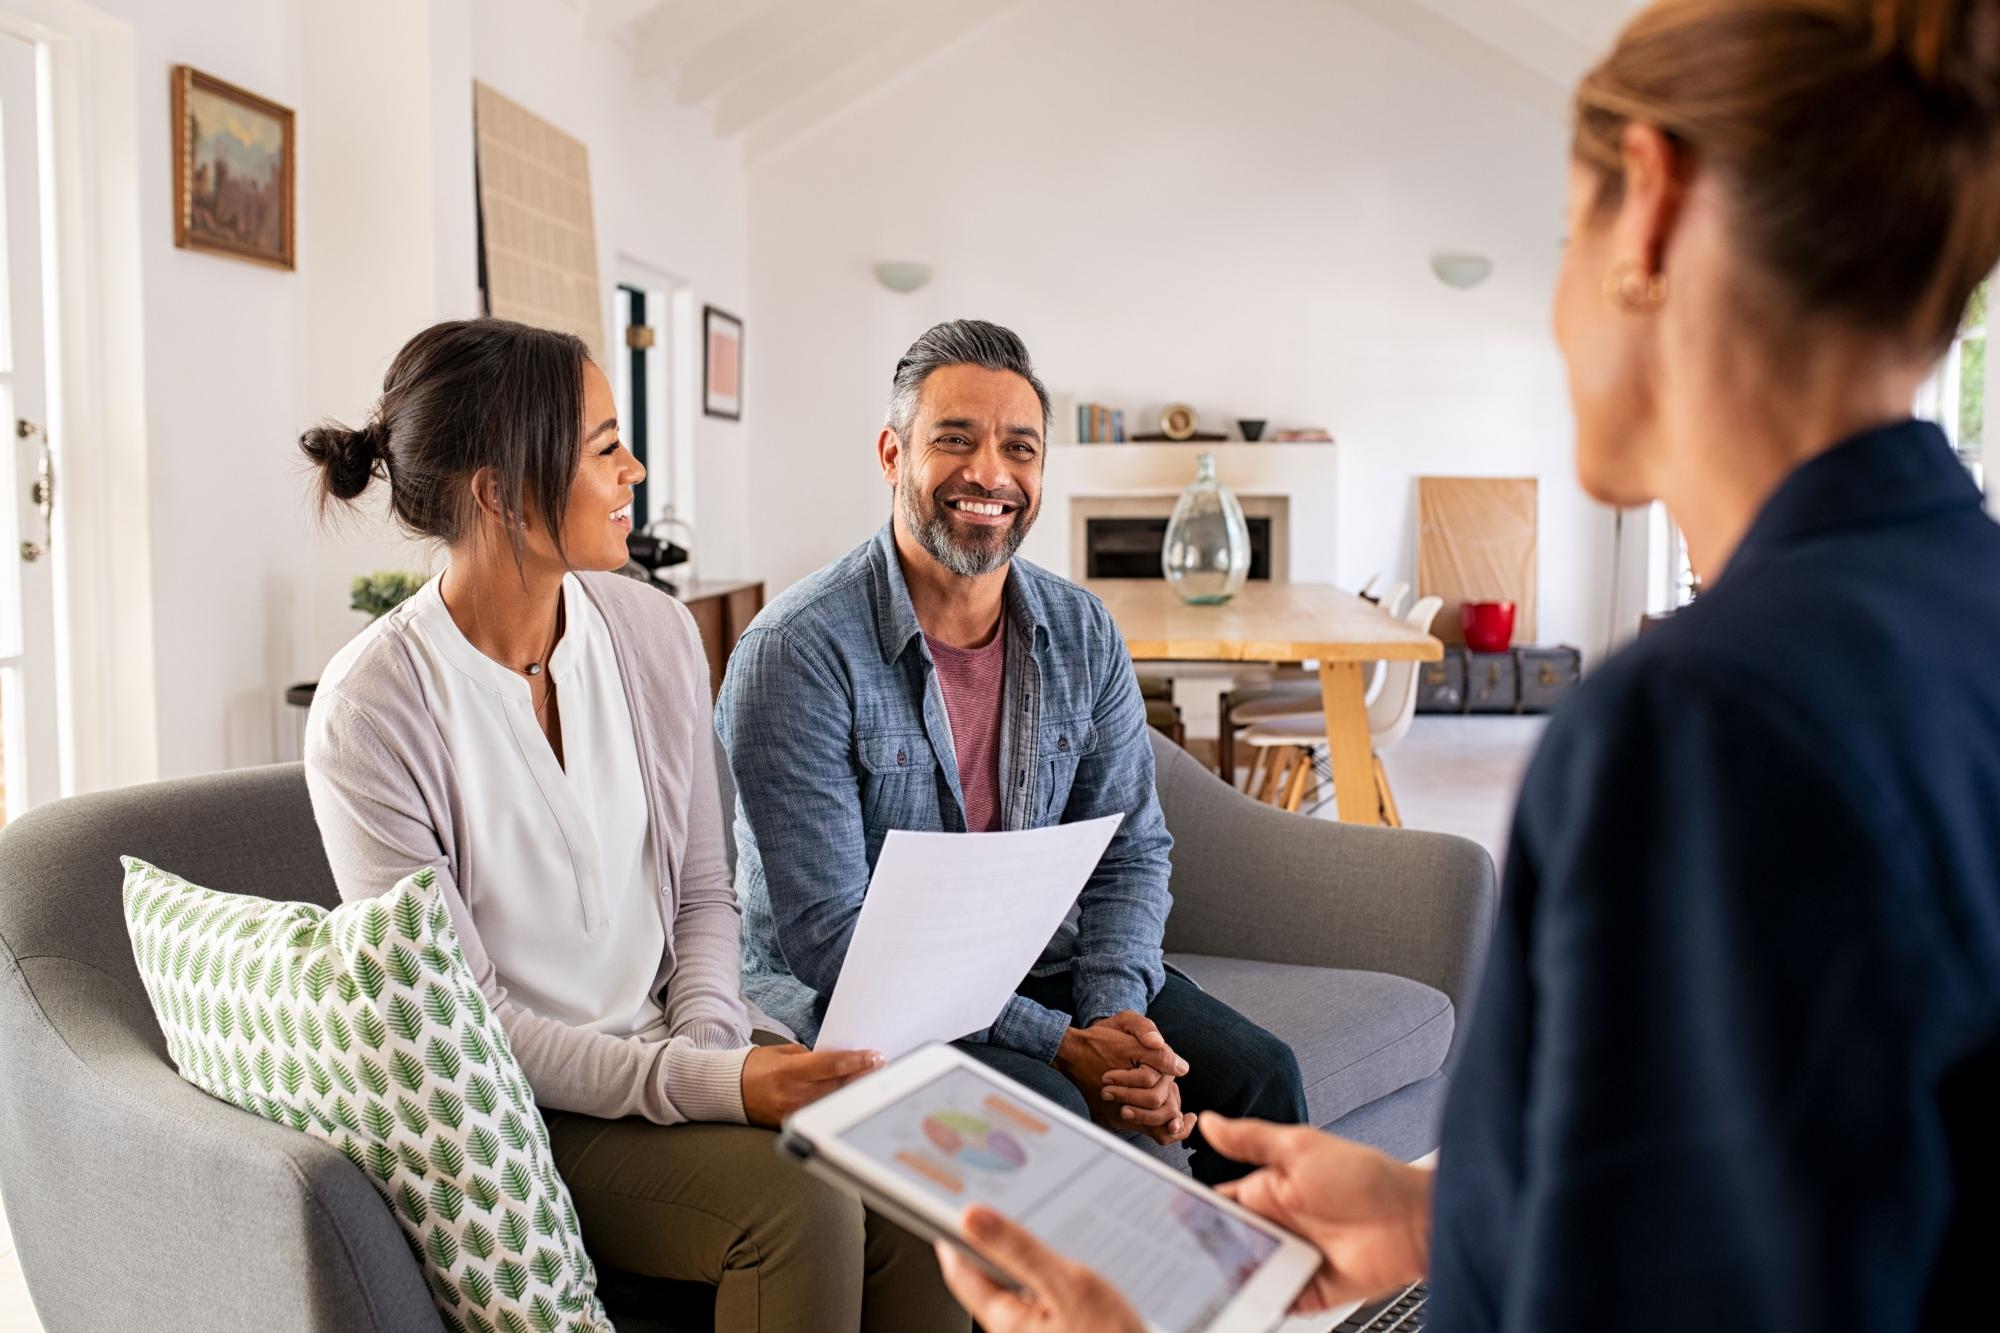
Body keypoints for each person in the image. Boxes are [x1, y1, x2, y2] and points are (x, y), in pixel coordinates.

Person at [932, 0, 2000, 1328]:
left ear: (1651, 207)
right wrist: (1448, 1217)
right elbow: (1823, 1208)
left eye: (1565, 238)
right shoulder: (1963, 616)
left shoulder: (1698, 723)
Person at [299, 317, 966, 1333]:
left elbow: (706, 890)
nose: (636, 469)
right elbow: (466, 1026)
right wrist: (706, 1084)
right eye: (606, 446)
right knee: (801, 1207)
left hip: (679, 1044)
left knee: (916, 1172)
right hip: (528, 1112)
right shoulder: (373, 710)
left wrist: (708, 1057)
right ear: (497, 490)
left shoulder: (651, 632)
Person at [715, 318, 1309, 1185]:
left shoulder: (1081, 630)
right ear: (891, 454)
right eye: (954, 440)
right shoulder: (796, 652)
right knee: (1054, 1116)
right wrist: (1065, 1049)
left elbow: (1130, 851)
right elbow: (832, 940)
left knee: (1262, 1079)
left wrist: (1114, 1024)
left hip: (1046, 963)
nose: (989, 473)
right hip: (866, 1000)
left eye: (1018, 448)